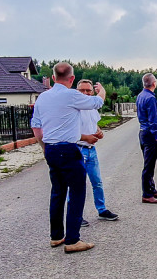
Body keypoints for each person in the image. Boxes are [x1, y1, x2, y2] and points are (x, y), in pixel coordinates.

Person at [30, 62, 106, 253]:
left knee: (57, 192)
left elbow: (36, 127)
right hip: (69, 149)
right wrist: (102, 91)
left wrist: (44, 148)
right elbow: (97, 103)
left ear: (53, 78)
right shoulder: (72, 95)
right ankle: (73, 239)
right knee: (78, 192)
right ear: (72, 79)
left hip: (51, 149)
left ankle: (56, 236)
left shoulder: (42, 98)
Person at [72, 79, 119, 224]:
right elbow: (68, 132)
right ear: (76, 91)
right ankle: (75, 216)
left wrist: (99, 132)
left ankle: (102, 210)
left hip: (91, 150)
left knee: (97, 182)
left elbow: (95, 125)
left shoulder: (92, 107)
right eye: (82, 90)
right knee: (76, 185)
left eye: (88, 91)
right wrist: (86, 137)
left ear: (92, 92)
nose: (86, 93)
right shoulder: (73, 108)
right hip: (77, 149)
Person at [136, 72, 157, 204]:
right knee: (149, 166)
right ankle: (147, 194)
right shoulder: (150, 98)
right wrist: (156, 136)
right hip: (150, 135)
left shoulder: (140, 96)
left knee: (150, 164)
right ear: (154, 83)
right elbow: (152, 119)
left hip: (143, 133)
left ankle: (152, 189)